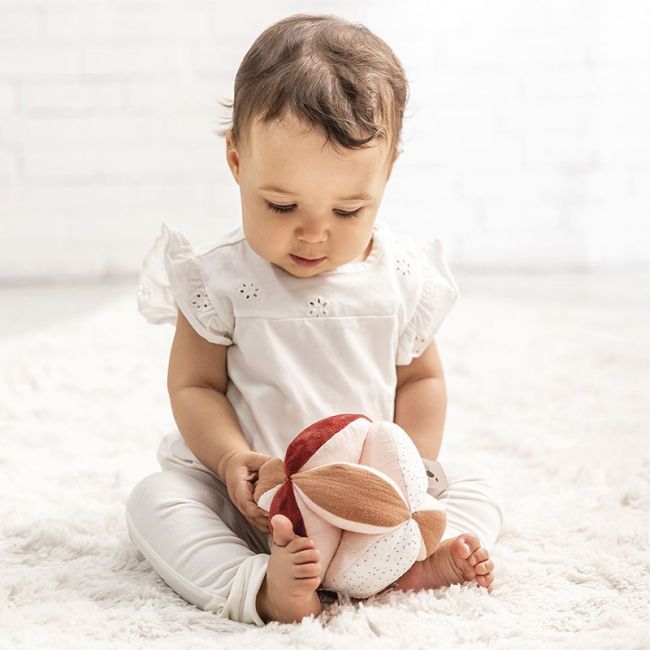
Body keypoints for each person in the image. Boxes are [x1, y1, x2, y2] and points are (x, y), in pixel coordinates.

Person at [125, 13, 504, 626]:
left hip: (370, 507)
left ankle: (407, 559)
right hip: (258, 508)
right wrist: (228, 460)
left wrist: (411, 475)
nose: (312, 233)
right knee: (156, 498)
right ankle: (257, 583)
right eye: (281, 204)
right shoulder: (217, 279)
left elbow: (421, 382)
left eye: (349, 210)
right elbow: (193, 386)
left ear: (387, 177)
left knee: (478, 484)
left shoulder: (401, 278)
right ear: (236, 162)